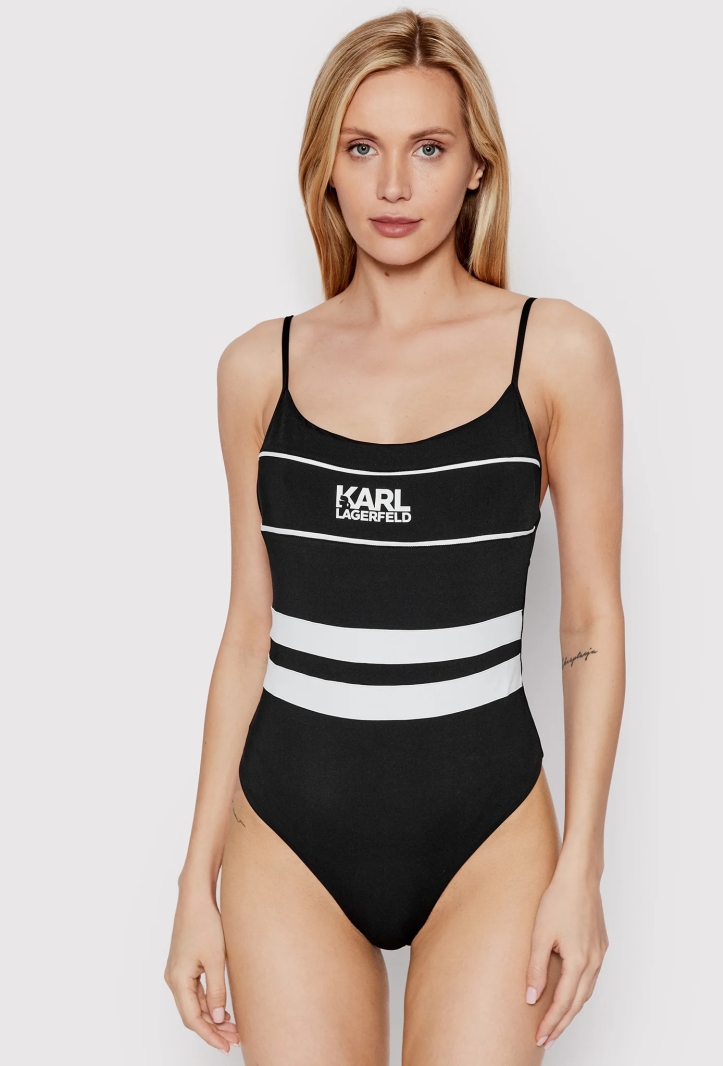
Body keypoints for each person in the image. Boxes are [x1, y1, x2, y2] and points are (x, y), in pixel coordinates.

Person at [165, 9, 625, 1063]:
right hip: (287, 838)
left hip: (490, 836)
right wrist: (195, 884)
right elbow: (248, 632)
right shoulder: (258, 368)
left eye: (428, 148)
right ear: (326, 167)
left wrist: (583, 867)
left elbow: (591, 620)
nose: (392, 186)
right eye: (362, 148)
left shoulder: (553, 350)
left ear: (475, 167)